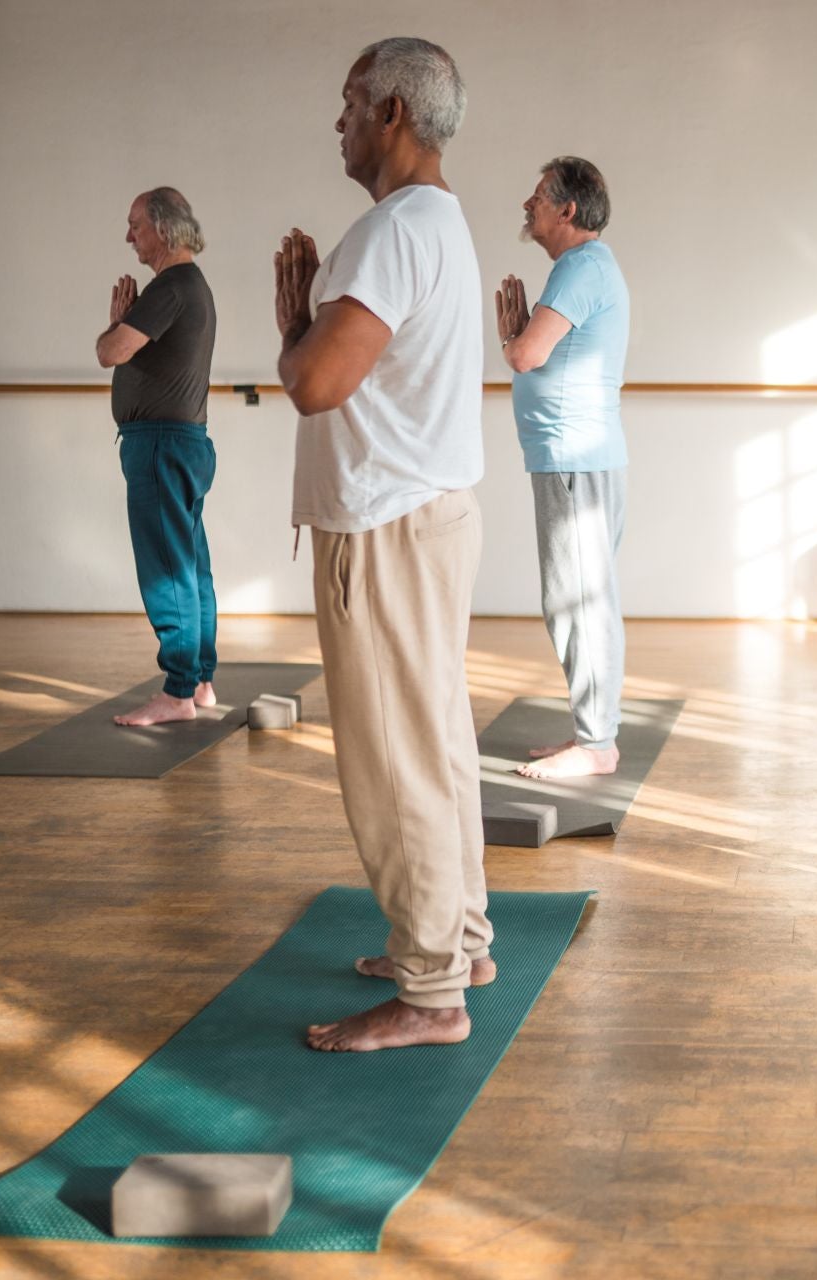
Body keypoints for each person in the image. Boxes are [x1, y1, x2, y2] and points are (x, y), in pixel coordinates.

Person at [273, 37, 492, 1051]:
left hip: (385, 524)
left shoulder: (393, 230)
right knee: (438, 737)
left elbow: (317, 381)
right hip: (428, 511)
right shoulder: (438, 223)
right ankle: (462, 941)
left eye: (352, 102)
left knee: (395, 760)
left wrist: (291, 318)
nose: (341, 121)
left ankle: (431, 988)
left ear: (393, 110)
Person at [495, 157, 630, 780]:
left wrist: (511, 338)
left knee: (578, 600)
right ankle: (592, 732)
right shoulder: (582, 268)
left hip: (575, 459)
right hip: (575, 458)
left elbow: (526, 355)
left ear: (567, 210)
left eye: (537, 197)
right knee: (575, 597)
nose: (527, 205)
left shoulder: (579, 267)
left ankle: (597, 743)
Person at [95, 188, 219, 727]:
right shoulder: (187, 286)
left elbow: (109, 352)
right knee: (190, 566)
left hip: (161, 445)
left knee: (166, 571)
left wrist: (116, 322)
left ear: (165, 230)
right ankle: (200, 681)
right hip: (180, 443)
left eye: (135, 225)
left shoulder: (171, 286)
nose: (129, 237)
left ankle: (176, 692)